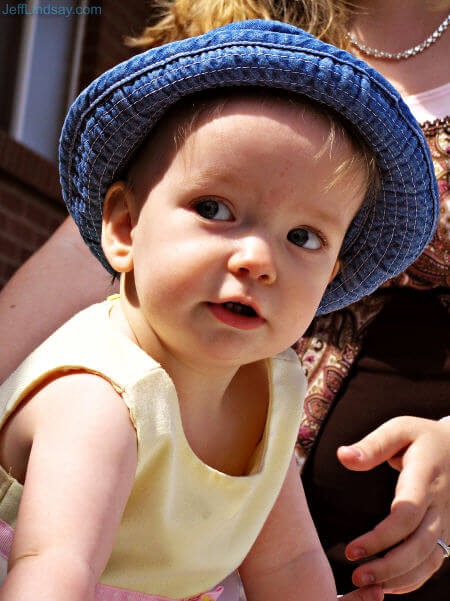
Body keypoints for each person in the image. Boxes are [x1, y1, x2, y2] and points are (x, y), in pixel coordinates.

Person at [0, 1, 448, 599]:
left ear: (330, 276)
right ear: (126, 229)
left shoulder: (270, 388)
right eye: (214, 210)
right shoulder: (101, 402)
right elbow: (51, 576)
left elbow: (288, 565)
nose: (258, 261)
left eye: (303, 238)